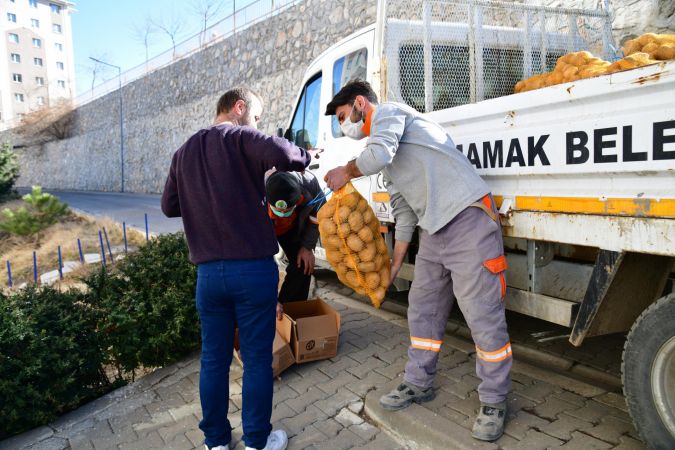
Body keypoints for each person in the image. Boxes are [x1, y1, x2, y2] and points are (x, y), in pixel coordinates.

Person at [323, 80, 512, 442]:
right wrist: (395, 263)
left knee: (482, 315)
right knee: (422, 307)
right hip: (434, 231)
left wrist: (346, 171)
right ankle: (418, 382)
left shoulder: (391, 115)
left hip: (468, 218)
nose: (345, 127)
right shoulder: (386, 156)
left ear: (361, 103)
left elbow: (375, 156)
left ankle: (494, 400)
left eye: (345, 116)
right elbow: (404, 211)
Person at [161, 87, 313, 450]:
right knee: (257, 360)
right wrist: (304, 156)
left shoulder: (183, 153)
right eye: (257, 117)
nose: (257, 124)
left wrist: (203, 201)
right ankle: (257, 442)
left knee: (213, 360)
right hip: (252, 271)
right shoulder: (240, 136)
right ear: (238, 107)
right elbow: (279, 150)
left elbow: (169, 206)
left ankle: (215, 442)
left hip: (209, 276)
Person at [265, 170, 322, 302]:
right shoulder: (254, 190)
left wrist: (307, 247)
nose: (282, 214)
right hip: (263, 229)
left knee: (303, 264)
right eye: (278, 211)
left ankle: (289, 312)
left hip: (292, 229)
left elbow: (319, 213)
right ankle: (268, 309)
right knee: (262, 270)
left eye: (287, 211)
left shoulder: (309, 185)